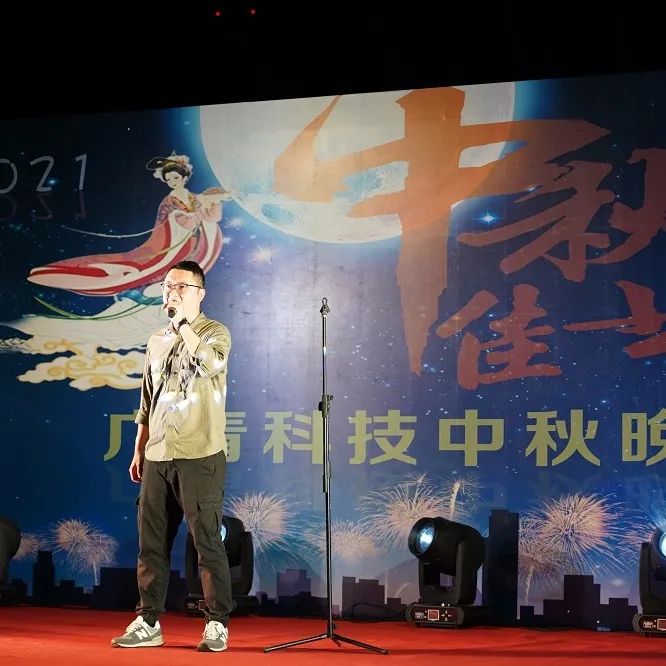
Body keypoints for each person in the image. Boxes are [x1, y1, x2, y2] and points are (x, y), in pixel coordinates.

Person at [111, 259, 233, 651]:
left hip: (200, 453)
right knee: (151, 543)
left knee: (206, 541)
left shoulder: (215, 333)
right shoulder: (156, 340)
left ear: (200, 293)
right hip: (159, 453)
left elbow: (211, 364)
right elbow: (147, 398)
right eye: (167, 286)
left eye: (181, 287)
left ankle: (217, 622)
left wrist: (183, 325)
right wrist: (139, 448)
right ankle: (148, 620)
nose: (172, 293)